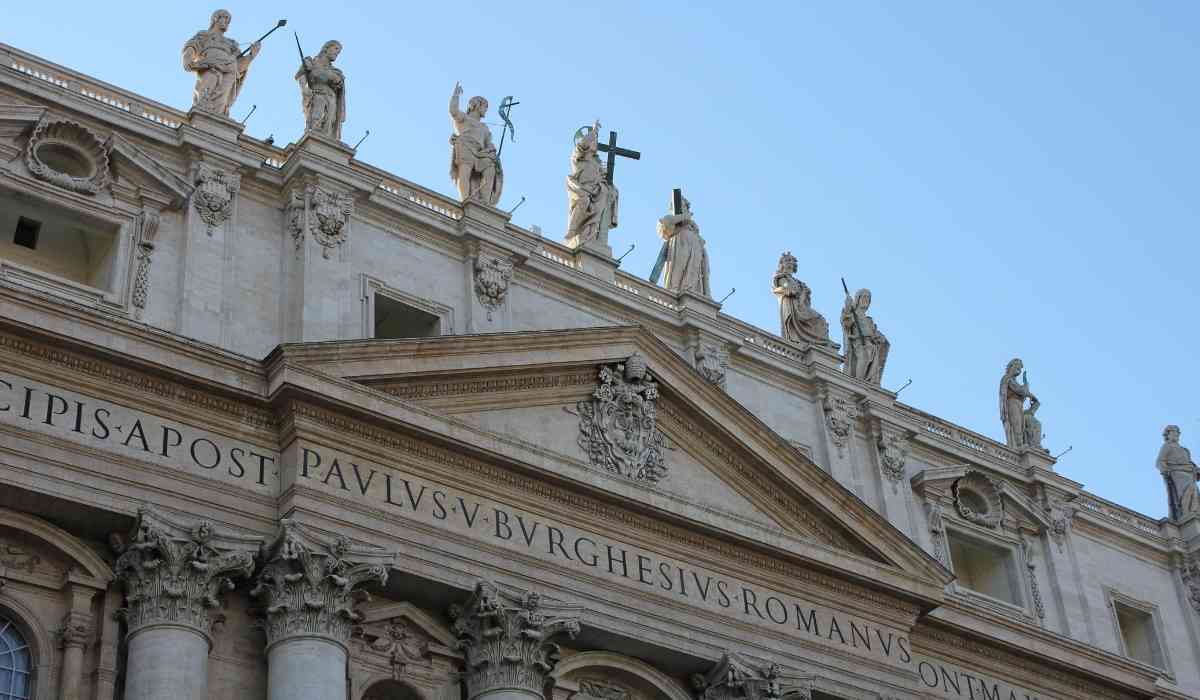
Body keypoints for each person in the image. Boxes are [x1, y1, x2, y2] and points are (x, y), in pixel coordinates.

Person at [181, 9, 260, 116]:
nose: (227, 22)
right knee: (205, 98)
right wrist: (188, 58)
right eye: (225, 18)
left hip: (229, 72)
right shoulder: (204, 35)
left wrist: (251, 56)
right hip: (211, 67)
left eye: (229, 21)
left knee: (221, 103)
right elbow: (192, 47)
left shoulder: (232, 43)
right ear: (216, 18)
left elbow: (239, 67)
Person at [565, 121, 618, 251]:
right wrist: (593, 132)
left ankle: (591, 235)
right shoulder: (578, 159)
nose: (596, 143)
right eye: (594, 141)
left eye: (596, 140)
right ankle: (573, 231)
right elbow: (580, 146)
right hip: (583, 190)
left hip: (597, 192)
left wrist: (608, 185)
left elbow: (602, 177)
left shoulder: (597, 163)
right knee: (584, 201)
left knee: (605, 194)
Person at [448, 82, 501, 205]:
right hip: (465, 145)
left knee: (490, 168)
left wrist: (491, 150)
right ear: (477, 105)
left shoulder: (484, 128)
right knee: (465, 171)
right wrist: (456, 95)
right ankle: (466, 200)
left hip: (480, 153)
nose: (486, 110)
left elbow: (489, 144)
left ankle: (484, 200)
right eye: (485, 107)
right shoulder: (465, 118)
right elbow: (453, 111)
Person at [654, 196, 710, 296]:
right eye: (678, 206)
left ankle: (693, 293)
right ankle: (673, 293)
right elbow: (665, 225)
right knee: (677, 274)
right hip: (679, 247)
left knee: (693, 274)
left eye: (683, 206)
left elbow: (704, 265)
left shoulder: (693, 230)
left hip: (694, 250)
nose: (681, 209)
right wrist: (685, 217)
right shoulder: (671, 221)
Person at [773, 252, 831, 346]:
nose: (790, 263)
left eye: (792, 261)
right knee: (818, 320)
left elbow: (803, 295)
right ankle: (800, 340)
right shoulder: (781, 277)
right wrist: (796, 290)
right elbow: (787, 287)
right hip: (794, 307)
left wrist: (805, 291)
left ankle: (819, 343)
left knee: (821, 320)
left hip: (801, 306)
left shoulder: (797, 281)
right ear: (782, 264)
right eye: (787, 260)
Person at [297, 40, 346, 140]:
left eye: (339, 52)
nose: (337, 53)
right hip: (317, 96)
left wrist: (338, 81)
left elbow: (339, 86)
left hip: (332, 100)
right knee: (316, 125)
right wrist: (304, 89)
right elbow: (301, 77)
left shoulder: (336, 71)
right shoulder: (311, 62)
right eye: (336, 48)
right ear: (326, 48)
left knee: (329, 129)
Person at [840, 288, 889, 383]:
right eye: (864, 296)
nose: (866, 299)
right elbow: (846, 323)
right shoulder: (853, 314)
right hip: (858, 344)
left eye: (868, 298)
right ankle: (858, 382)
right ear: (858, 299)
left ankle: (864, 382)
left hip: (870, 345)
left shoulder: (869, 320)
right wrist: (847, 307)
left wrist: (878, 338)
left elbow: (875, 334)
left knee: (869, 359)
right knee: (864, 357)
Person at [1158, 425, 1199, 520]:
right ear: (1168, 434)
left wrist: (1196, 469)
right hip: (1177, 473)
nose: (1177, 434)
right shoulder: (1167, 446)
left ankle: (1194, 512)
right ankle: (1186, 514)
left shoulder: (1184, 450)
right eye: (1174, 432)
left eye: (1177, 432)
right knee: (1185, 492)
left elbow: (1190, 463)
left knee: (1194, 493)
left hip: (1189, 473)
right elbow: (1160, 461)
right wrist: (1165, 471)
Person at [999, 358, 1036, 448]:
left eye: (1020, 367)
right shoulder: (1007, 378)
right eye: (1018, 366)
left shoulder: (1015, 381)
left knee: (1021, 425)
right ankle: (1018, 445)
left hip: (1019, 404)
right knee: (1016, 423)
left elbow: (1022, 392)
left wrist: (1025, 383)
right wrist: (1029, 393)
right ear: (1012, 366)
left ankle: (1021, 443)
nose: (1019, 369)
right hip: (1012, 403)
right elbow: (1019, 390)